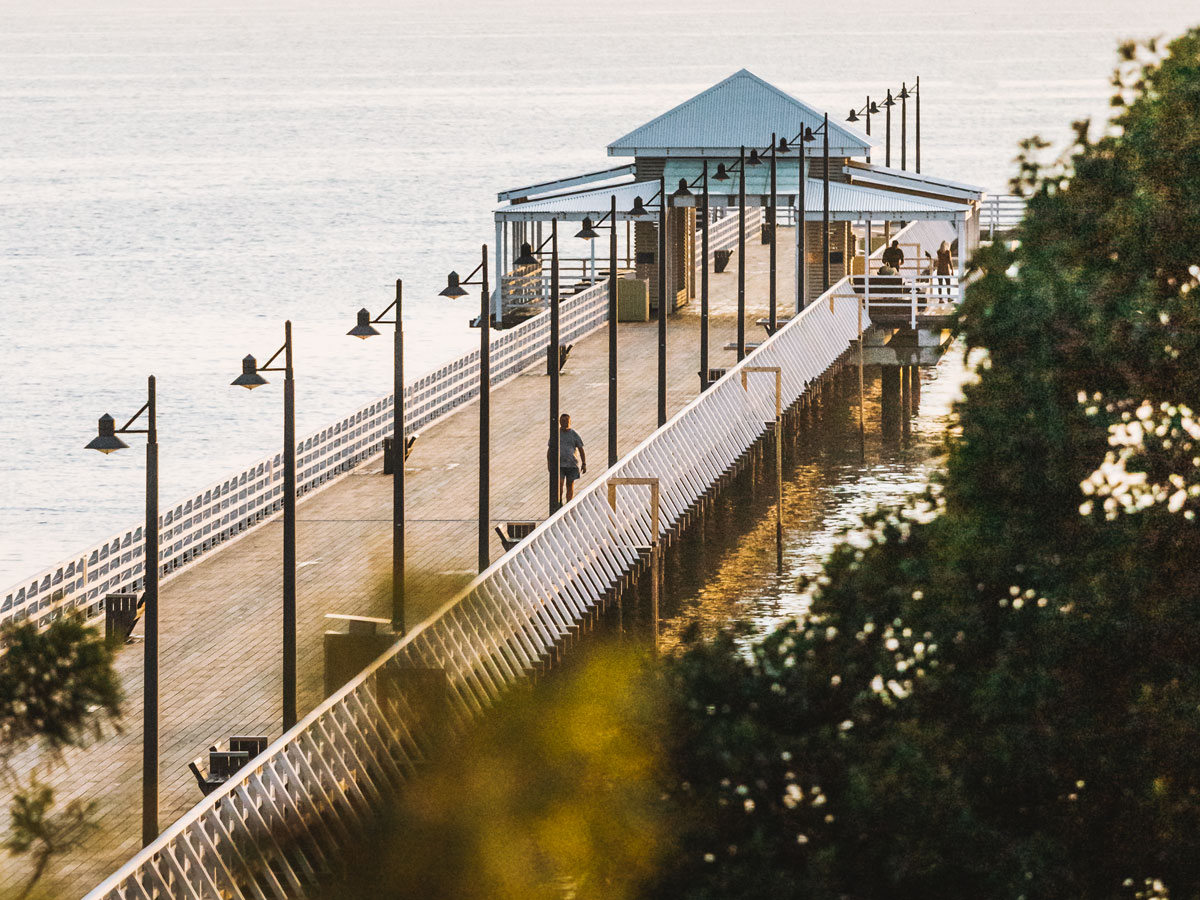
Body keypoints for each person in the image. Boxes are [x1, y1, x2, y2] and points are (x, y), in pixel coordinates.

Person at [548, 413, 586, 505]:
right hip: (559, 465)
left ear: (570, 421)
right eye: (562, 421)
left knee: (570, 485)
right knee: (559, 484)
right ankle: (559, 503)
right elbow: (550, 450)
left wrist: (584, 463)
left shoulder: (574, 434)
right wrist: (549, 463)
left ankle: (569, 503)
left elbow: (581, 449)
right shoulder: (556, 434)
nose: (564, 422)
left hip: (572, 464)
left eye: (566, 420)